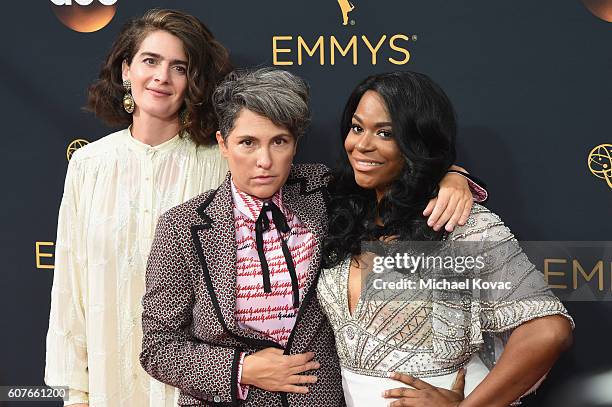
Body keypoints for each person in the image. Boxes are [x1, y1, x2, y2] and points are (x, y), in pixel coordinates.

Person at [140, 68, 487, 405]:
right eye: (247, 142)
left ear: (295, 144)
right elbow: (157, 348)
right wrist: (241, 369)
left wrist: (451, 175)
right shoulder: (182, 227)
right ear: (223, 144)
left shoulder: (326, 193)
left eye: (279, 141)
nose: (264, 160)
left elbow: (395, 172)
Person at [317, 71, 574, 407]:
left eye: (385, 133)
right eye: (356, 127)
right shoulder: (339, 211)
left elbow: (548, 330)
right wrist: (456, 174)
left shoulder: (460, 225)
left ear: (417, 143)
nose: (362, 144)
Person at [45, 9, 232, 406]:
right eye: (151, 61)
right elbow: (70, 289)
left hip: (195, 389)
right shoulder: (89, 165)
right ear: (127, 69)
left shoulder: (221, 164)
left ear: (193, 82)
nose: (162, 77)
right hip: (108, 385)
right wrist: (76, 394)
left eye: (179, 67)